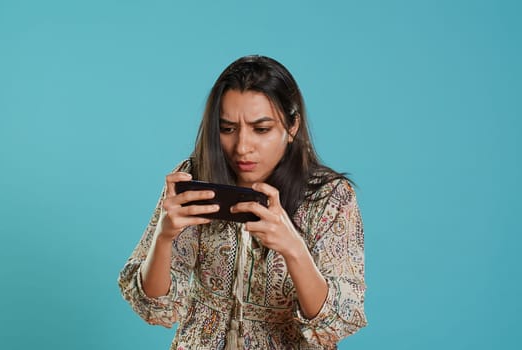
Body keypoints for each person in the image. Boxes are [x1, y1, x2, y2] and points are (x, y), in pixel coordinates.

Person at [118, 55, 367, 349]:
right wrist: (164, 236)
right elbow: (155, 307)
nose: (242, 147)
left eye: (261, 129)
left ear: (292, 127)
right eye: (227, 129)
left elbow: (336, 323)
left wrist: (293, 248)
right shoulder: (194, 179)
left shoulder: (330, 198)